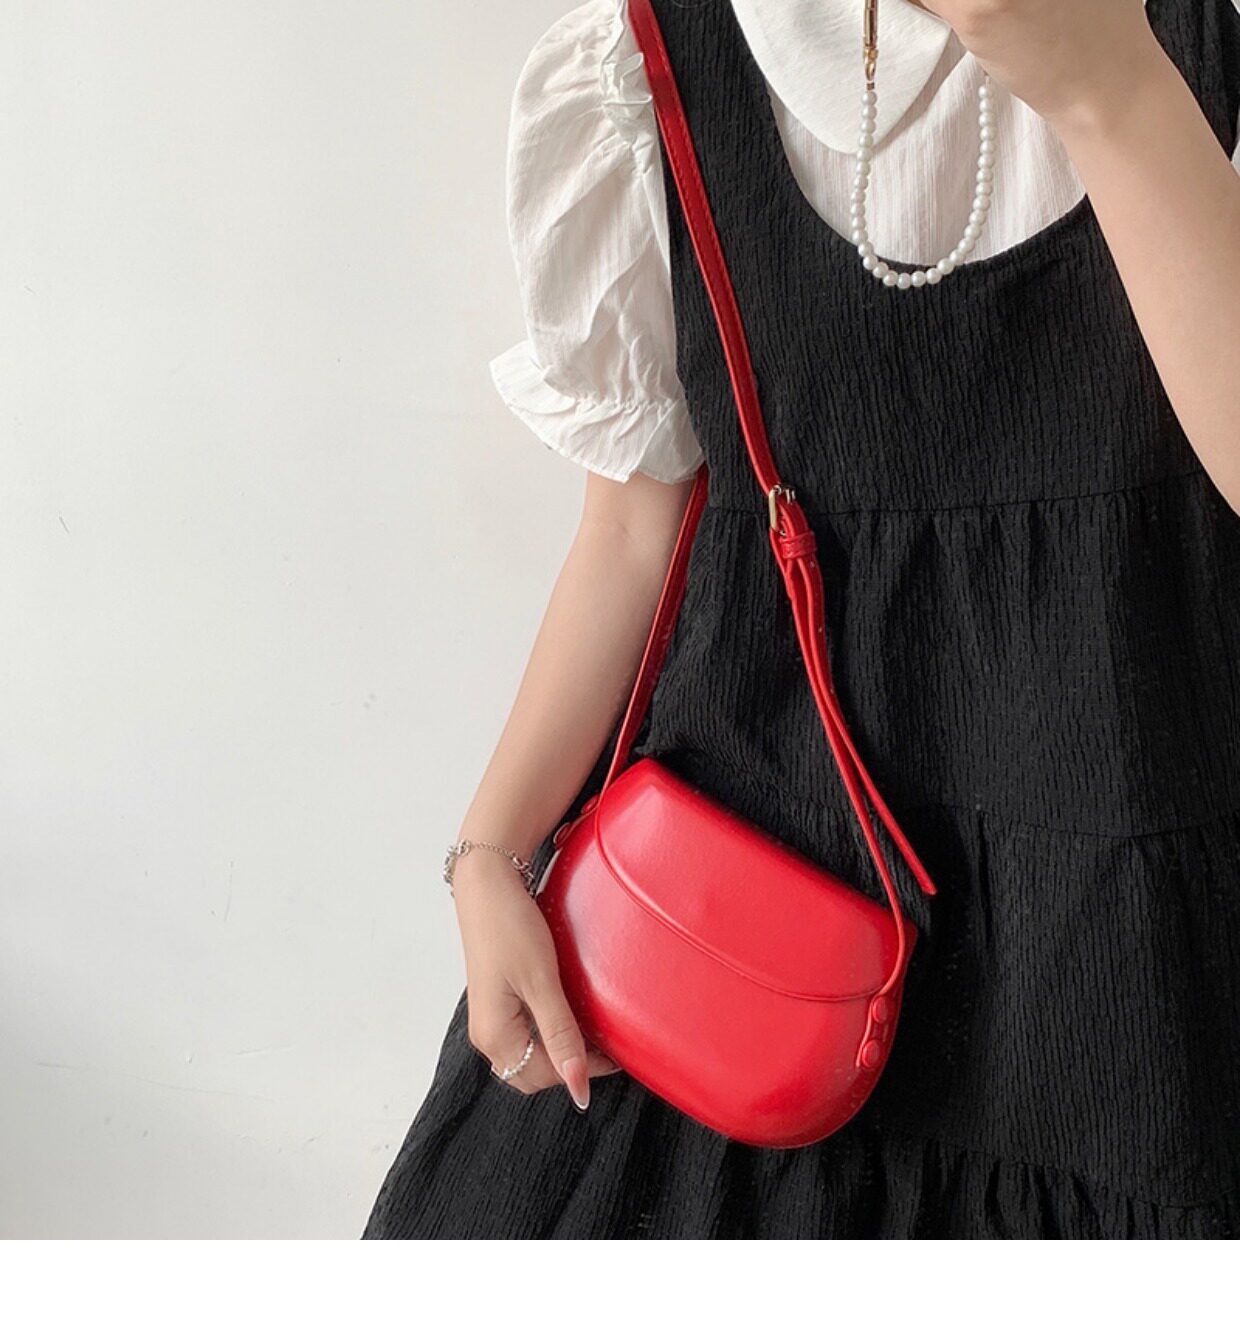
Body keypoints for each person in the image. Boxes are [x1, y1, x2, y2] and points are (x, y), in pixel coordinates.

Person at [365, 0, 1240, 1239]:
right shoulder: (644, 59)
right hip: (751, 900)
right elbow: (634, 527)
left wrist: (1111, 91)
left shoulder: (1200, 37)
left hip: (1134, 946)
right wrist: (490, 852)